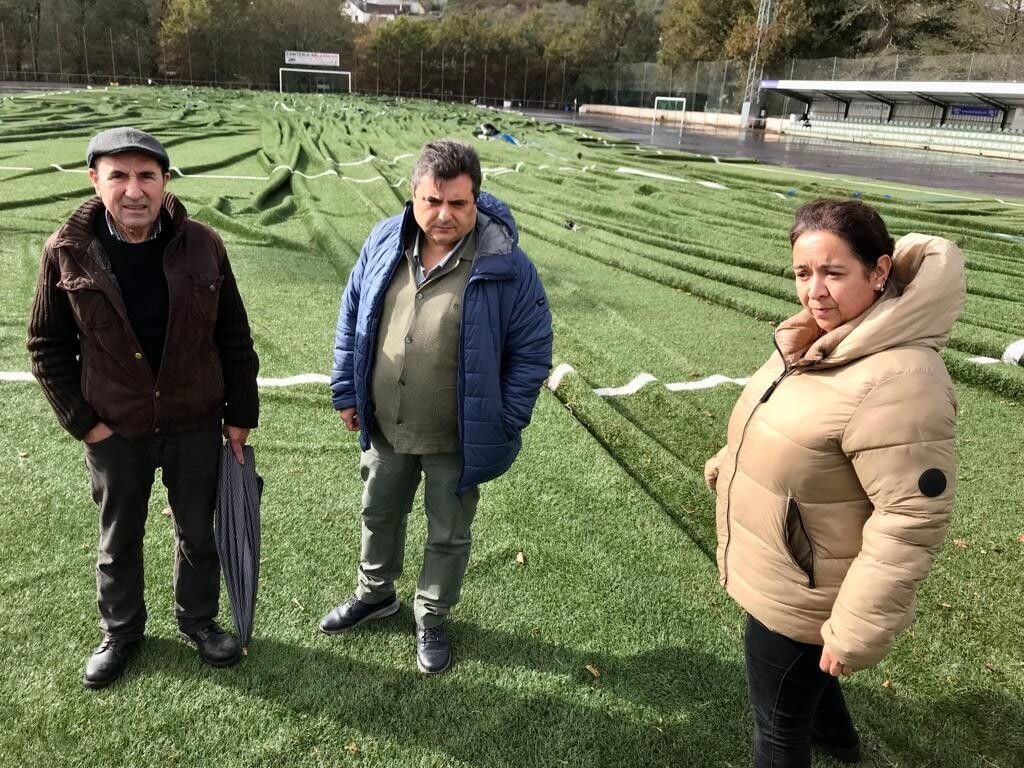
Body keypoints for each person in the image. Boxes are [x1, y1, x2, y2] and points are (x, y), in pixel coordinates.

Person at [704, 199, 964, 766]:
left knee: (777, 731)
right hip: (791, 570)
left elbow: (910, 518)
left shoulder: (901, 380)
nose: (814, 291)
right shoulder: (820, 338)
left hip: (808, 594)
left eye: (833, 272)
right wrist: (732, 461)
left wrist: (852, 628)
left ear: (878, 271)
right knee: (798, 699)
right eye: (803, 273)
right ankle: (841, 741)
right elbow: (789, 426)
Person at [27, 127, 260, 689]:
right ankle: (122, 631)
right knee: (119, 537)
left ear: (164, 181)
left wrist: (238, 416)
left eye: (146, 176)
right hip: (116, 430)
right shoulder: (66, 249)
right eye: (119, 176)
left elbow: (234, 335)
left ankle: (199, 621)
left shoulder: (204, 243)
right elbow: (45, 345)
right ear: (95, 180)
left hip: (194, 422)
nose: (134, 190)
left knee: (198, 534)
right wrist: (87, 425)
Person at [322, 139, 552, 674]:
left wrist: (505, 418)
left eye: (458, 203)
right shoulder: (384, 240)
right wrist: (347, 389)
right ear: (413, 196)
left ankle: (432, 615)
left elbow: (532, 349)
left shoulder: (507, 265)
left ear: (477, 201)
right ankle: (376, 593)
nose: (444, 215)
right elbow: (352, 311)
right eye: (433, 201)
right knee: (378, 513)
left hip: (458, 435)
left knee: (447, 532)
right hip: (386, 424)